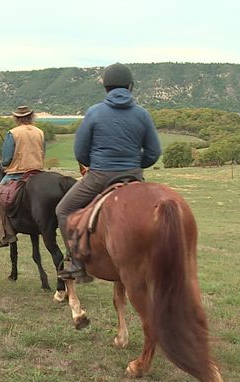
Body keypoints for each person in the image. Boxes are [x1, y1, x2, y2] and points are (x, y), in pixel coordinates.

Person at [56, 63, 161, 279]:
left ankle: (76, 263)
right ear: (130, 86)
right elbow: (154, 152)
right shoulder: (142, 114)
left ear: (105, 87)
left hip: (99, 176)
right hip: (133, 176)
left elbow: (80, 152)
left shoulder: (94, 113)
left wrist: (96, 163)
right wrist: (135, 164)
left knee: (63, 210)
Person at [0, 105, 45, 247]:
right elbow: (42, 152)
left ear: (16, 118)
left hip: (17, 174)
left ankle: (6, 235)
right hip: (38, 172)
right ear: (31, 116)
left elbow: (6, 160)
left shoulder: (13, 133)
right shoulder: (40, 132)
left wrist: (5, 164)